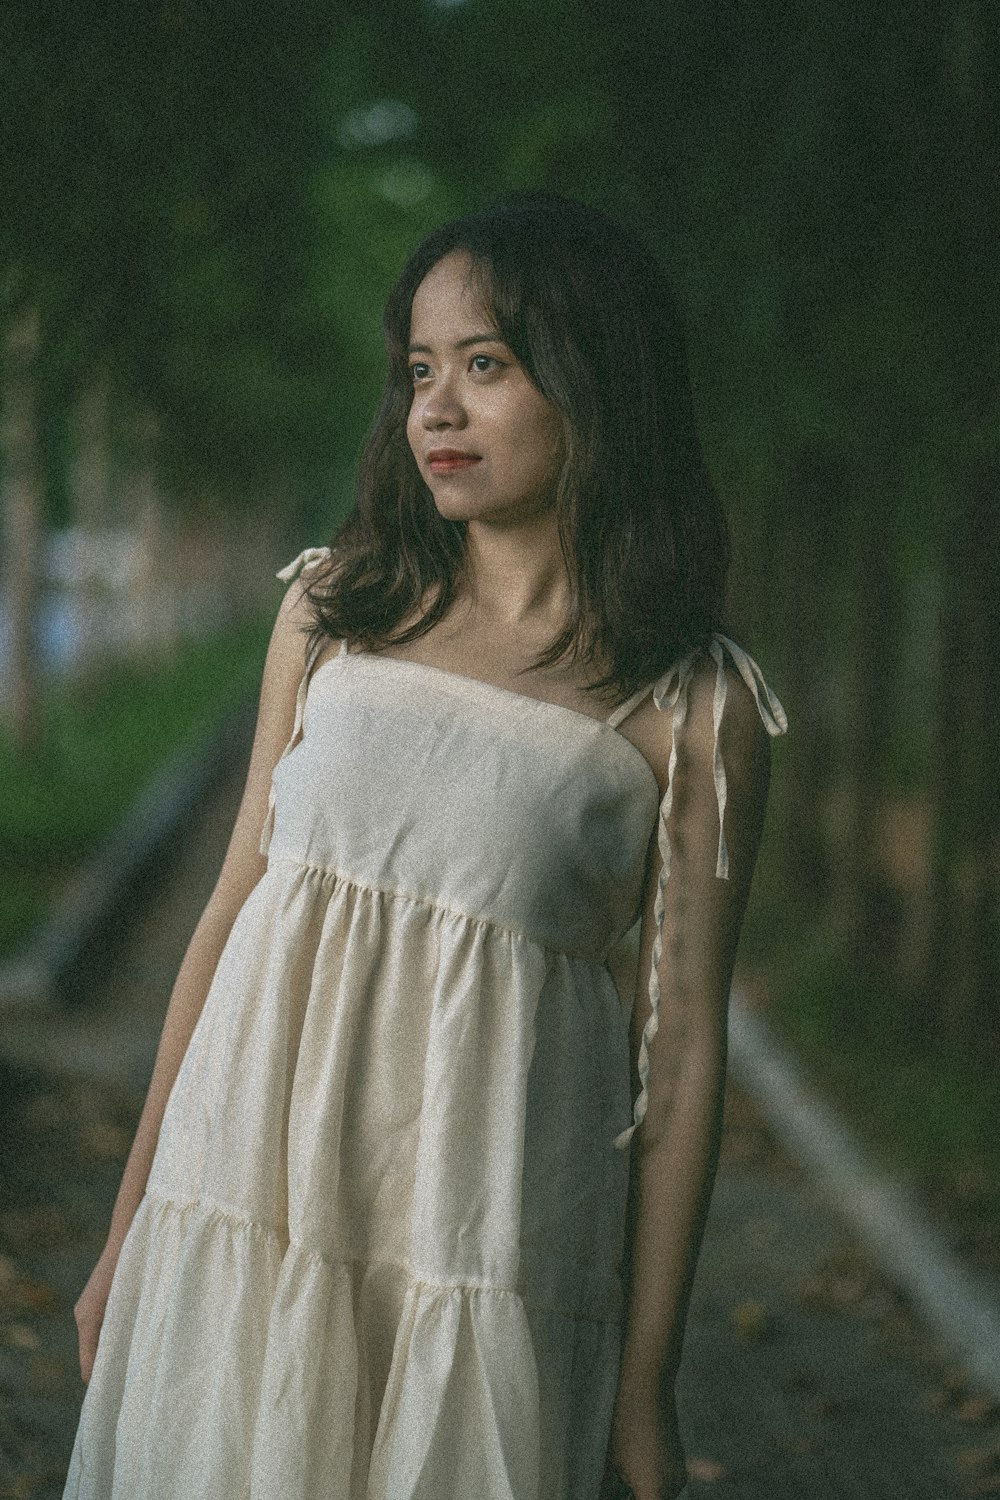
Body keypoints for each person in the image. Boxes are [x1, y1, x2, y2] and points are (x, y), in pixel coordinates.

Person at [64, 191, 786, 1500]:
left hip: (490, 1252)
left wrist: (646, 1381)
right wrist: (128, 1231)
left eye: (487, 366)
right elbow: (230, 912)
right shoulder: (332, 610)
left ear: (597, 385)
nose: (434, 411)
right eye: (419, 370)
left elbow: (678, 1060)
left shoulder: (693, 707)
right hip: (250, 1209)